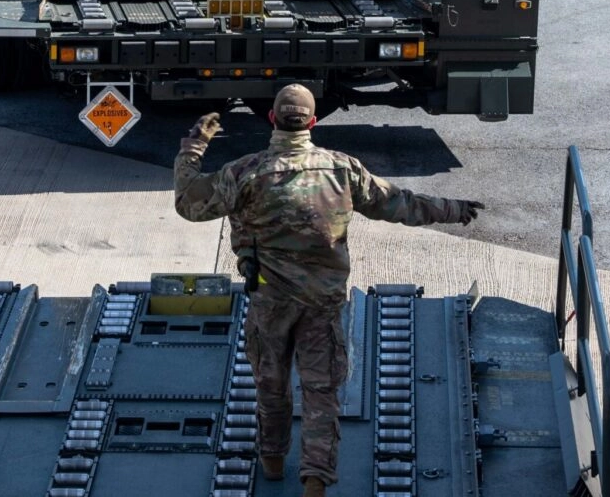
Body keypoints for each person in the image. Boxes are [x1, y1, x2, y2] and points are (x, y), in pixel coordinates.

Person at [173, 85, 484, 497]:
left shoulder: (243, 173)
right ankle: (315, 478)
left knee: (271, 383)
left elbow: (188, 203)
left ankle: (271, 459)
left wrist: (194, 145)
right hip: (322, 305)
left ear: (272, 119)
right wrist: (454, 209)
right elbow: (398, 203)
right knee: (321, 391)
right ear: (313, 122)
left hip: (269, 302)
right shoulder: (342, 170)